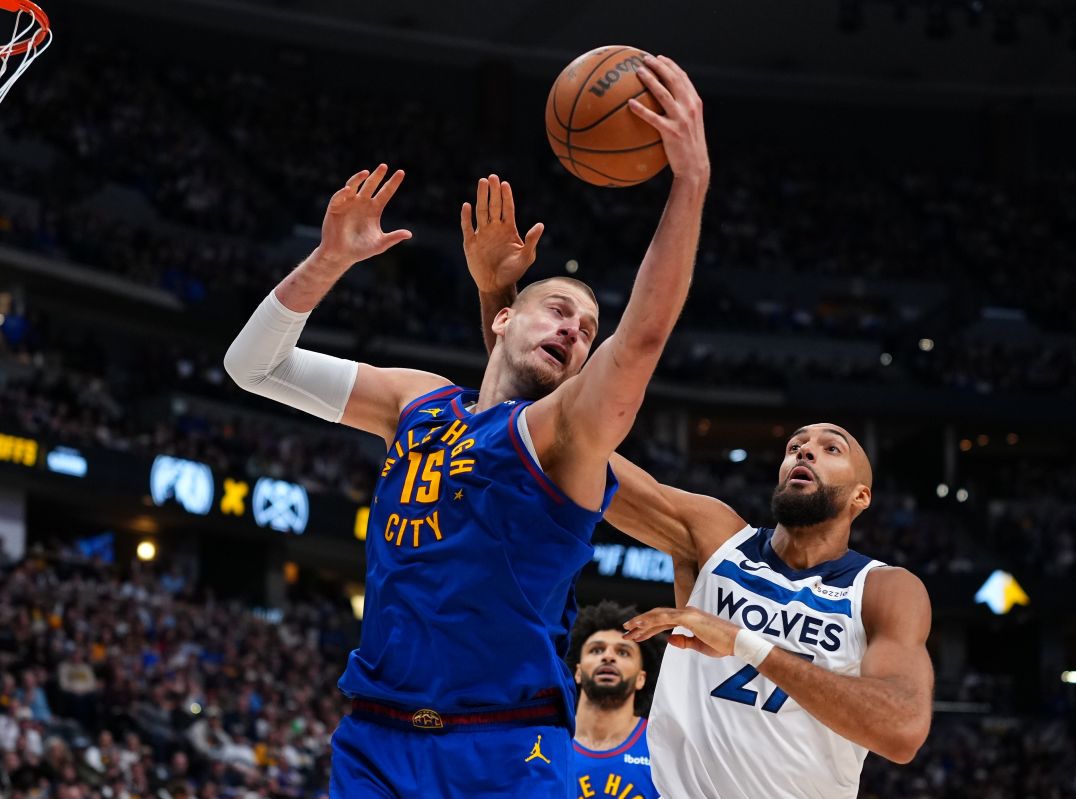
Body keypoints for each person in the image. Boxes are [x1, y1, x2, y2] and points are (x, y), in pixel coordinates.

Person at [224, 53, 708, 798]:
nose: (576, 331)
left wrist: (690, 183)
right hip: (376, 740)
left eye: (586, 328)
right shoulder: (418, 402)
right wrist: (327, 261)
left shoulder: (564, 436)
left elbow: (641, 338)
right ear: (505, 317)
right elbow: (254, 367)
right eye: (558, 309)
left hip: (506, 749)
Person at [471, 326, 931, 793]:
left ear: (861, 496)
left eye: (831, 448)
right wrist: (510, 330)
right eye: (795, 446)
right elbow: (573, 450)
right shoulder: (716, 537)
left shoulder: (883, 588)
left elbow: (902, 732)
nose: (804, 450)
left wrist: (744, 644)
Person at [568, 602, 664, 799]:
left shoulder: (662, 747)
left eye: (623, 652)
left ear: (641, 678)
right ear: (577, 672)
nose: (608, 657)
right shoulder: (546, 742)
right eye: (596, 650)